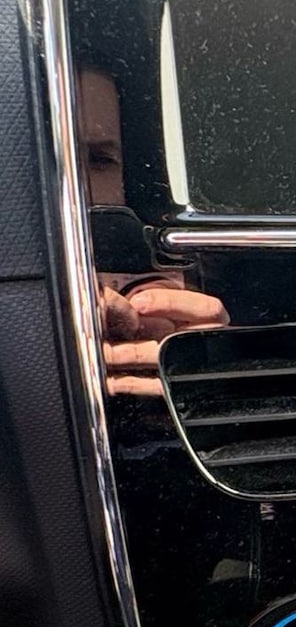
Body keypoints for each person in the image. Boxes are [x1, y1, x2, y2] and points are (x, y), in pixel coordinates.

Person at [78, 65, 228, 398]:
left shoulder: (175, 262)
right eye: (19, 160)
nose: (74, 187)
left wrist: (202, 363)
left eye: (98, 159)